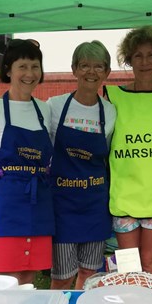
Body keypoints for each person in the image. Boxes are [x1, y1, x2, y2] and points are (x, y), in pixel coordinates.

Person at [0, 39, 53, 285]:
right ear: (8, 70)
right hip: (6, 206)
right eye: (23, 66)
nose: (30, 74)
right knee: (7, 281)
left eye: (35, 66)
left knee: (29, 278)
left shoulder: (45, 109)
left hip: (39, 203)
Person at [103, 26, 152, 279]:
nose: (145, 61)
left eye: (151, 55)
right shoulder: (112, 96)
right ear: (128, 60)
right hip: (124, 197)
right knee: (128, 265)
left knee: (151, 262)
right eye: (137, 55)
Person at [47, 41, 117, 289]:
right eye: (85, 65)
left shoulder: (110, 111)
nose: (91, 72)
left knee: (90, 274)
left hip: (95, 204)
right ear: (74, 69)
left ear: (107, 72)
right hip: (63, 204)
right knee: (62, 275)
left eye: (99, 66)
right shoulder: (53, 106)